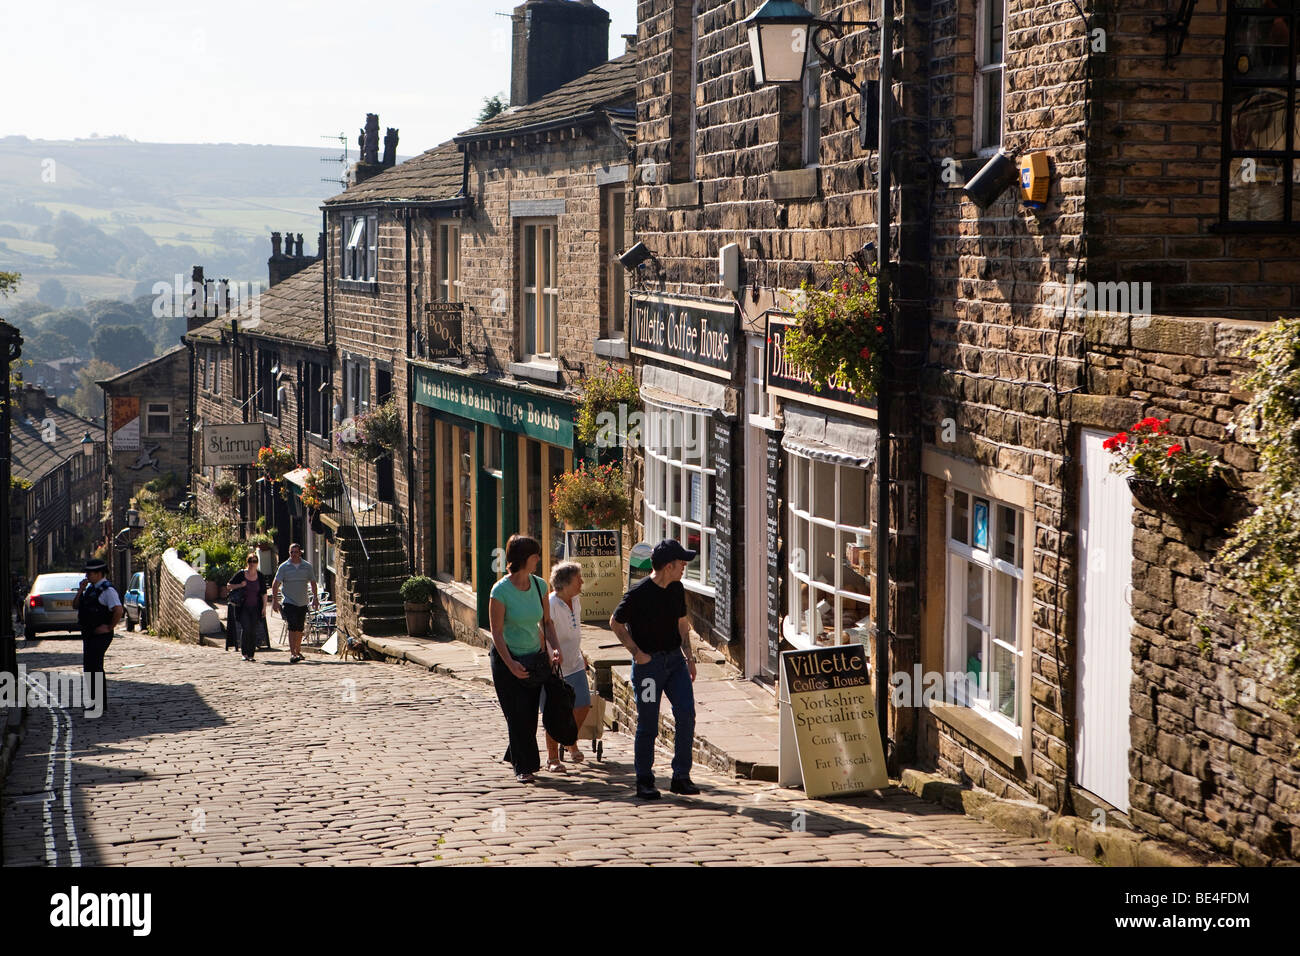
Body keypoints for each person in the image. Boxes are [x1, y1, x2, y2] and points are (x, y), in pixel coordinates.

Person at [610, 539, 700, 800]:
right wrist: (637, 654)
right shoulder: (638, 594)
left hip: (675, 663)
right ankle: (644, 780)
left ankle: (681, 776)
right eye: (681, 563)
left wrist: (690, 657)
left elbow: (682, 624)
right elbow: (615, 623)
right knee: (648, 723)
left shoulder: (676, 588)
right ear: (669, 566)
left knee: (686, 715)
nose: (684, 567)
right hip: (649, 668)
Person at [489, 534, 561, 784]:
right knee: (517, 714)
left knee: (529, 716)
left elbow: (547, 622)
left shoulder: (540, 585)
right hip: (506, 659)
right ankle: (524, 766)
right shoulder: (500, 591)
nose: (539, 559)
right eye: (535, 556)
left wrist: (555, 648)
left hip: (534, 657)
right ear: (523, 559)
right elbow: (496, 632)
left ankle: (515, 751)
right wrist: (510, 664)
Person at [542, 561, 591, 772]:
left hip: (575, 663)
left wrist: (581, 653)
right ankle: (553, 758)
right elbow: (543, 632)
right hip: (556, 667)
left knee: (582, 705)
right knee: (554, 713)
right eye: (578, 579)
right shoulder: (551, 604)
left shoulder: (576, 600)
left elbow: (575, 630)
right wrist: (549, 656)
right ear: (565, 583)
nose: (582, 582)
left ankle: (570, 741)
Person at [72, 558, 123, 717]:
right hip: (89, 632)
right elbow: (75, 605)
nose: (87, 575)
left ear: (99, 573)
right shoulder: (90, 589)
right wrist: (80, 590)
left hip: (101, 634)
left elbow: (118, 610)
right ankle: (94, 701)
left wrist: (109, 627)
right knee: (89, 667)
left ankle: (99, 703)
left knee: (95, 666)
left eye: (90, 573)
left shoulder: (108, 590)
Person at [272, 543, 318, 663]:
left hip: (302, 601)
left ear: (300, 553)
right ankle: (293, 653)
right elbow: (275, 584)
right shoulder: (284, 567)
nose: (293, 554)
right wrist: (275, 602)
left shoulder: (307, 566)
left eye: (296, 552)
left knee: (299, 628)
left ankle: (298, 651)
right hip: (289, 601)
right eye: (291, 552)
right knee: (292, 627)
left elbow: (313, 582)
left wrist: (315, 598)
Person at [227, 552, 271, 662]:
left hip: (255, 607)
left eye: (254, 561)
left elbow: (264, 593)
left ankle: (251, 654)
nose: (252, 563)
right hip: (243, 607)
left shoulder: (259, 576)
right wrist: (240, 585)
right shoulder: (241, 574)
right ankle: (244, 653)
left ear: (257, 563)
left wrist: (264, 608)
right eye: (250, 561)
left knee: (253, 630)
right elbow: (228, 586)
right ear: (247, 562)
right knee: (246, 628)